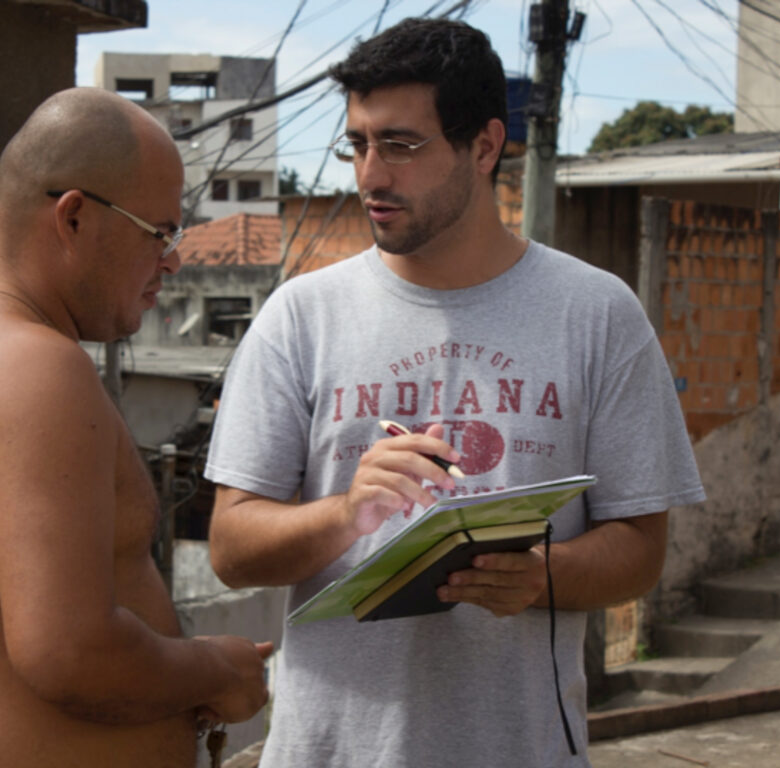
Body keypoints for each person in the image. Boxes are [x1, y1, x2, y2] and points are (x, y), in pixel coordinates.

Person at [205, 18, 705, 767]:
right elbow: (231, 547)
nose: (370, 175)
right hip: (329, 752)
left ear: (483, 146)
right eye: (359, 144)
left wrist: (539, 577)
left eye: (401, 145)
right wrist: (346, 512)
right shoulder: (300, 317)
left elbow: (639, 549)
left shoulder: (596, 314)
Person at [0, 87, 271, 768]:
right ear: (76, 217)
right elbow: (69, 653)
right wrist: (215, 672)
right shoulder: (33, 368)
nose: (172, 259)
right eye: (161, 232)